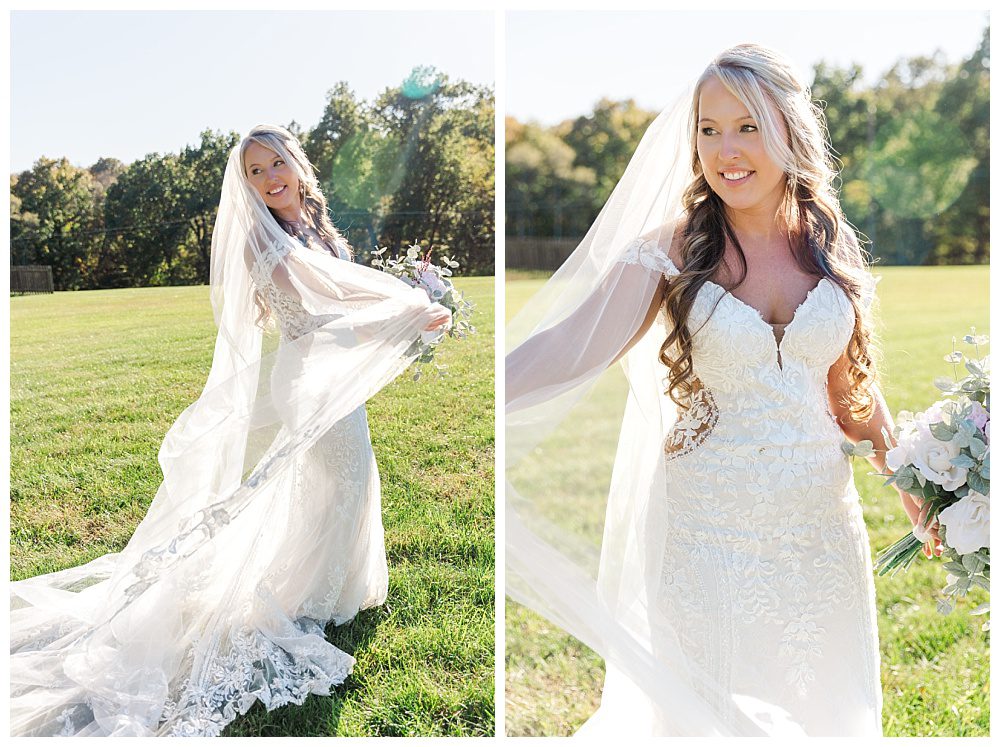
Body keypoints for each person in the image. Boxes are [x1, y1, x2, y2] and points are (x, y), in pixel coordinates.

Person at [506, 44, 939, 737]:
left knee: (825, 709)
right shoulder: (673, 248)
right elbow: (569, 344)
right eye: (709, 129)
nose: (725, 150)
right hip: (711, 538)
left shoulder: (831, 249)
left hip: (821, 536)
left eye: (747, 126)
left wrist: (923, 488)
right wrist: (484, 388)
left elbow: (853, 395)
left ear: (790, 131)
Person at [11, 124, 452, 736]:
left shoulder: (316, 227)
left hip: (330, 371)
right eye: (255, 171)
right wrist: (407, 312)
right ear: (246, 185)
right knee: (340, 481)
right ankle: (312, 600)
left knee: (346, 480)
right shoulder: (261, 242)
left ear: (298, 163)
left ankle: (338, 586)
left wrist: (410, 306)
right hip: (308, 371)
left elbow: (345, 295)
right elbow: (322, 314)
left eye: (277, 163)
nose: (271, 177)